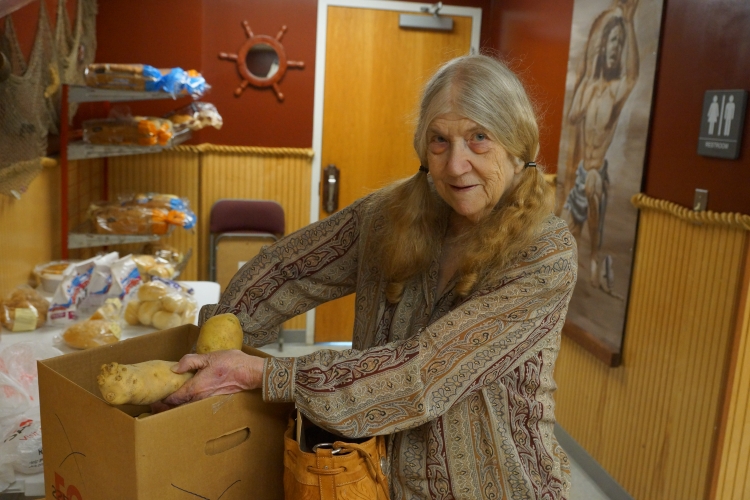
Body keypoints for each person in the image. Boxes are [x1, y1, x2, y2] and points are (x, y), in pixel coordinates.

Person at [165, 54, 577, 499]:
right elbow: (287, 269)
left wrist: (264, 374)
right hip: (375, 479)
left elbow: (425, 373)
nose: (456, 165)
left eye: (479, 138)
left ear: (517, 145)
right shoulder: (388, 217)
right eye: (440, 140)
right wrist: (211, 348)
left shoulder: (544, 254)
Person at [559, 0, 639, 293]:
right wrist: (586, 75)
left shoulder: (617, 91)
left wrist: (628, 23)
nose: (615, 49)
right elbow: (572, 116)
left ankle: (594, 259)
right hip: (581, 175)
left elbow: (632, 76)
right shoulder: (590, 88)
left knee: (593, 183)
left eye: (620, 44)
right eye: (612, 42)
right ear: (603, 47)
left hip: (596, 176)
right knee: (561, 234)